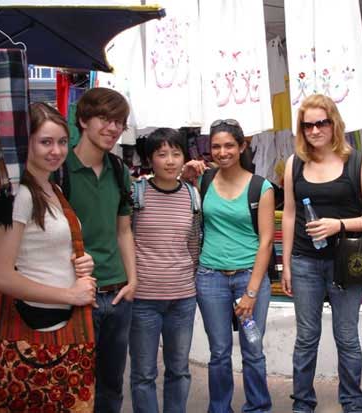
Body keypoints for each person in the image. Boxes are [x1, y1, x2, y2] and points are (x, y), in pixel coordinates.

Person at [281, 94, 362, 413]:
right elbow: (288, 213)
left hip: (347, 261)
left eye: (321, 122)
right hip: (304, 261)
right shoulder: (294, 163)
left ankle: (353, 402)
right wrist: (284, 264)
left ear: (334, 123)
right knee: (306, 337)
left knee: (346, 335)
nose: (315, 130)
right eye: (308, 124)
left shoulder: (357, 162)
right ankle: (302, 403)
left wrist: (338, 225)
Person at [0, 102, 97, 410]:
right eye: (45, 142)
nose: (56, 151)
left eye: (62, 142)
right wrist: (70, 292)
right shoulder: (22, 195)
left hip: (59, 325)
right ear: (26, 143)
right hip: (36, 327)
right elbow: (1, 274)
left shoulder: (51, 187)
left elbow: (41, 249)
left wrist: (80, 258)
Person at [65, 87, 136, 412]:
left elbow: (123, 231)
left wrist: (132, 282)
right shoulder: (59, 169)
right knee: (73, 384)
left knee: (111, 386)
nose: (112, 128)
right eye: (104, 119)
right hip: (74, 295)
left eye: (119, 121)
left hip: (117, 294)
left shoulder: (120, 171)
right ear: (82, 119)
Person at [196, 119, 274, 413]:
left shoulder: (260, 187)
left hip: (249, 278)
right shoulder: (204, 181)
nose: (222, 151)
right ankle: (220, 408)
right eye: (216, 146)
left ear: (242, 147)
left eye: (229, 145)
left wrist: (252, 292)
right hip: (210, 278)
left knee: (253, 349)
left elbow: (266, 242)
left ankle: (258, 407)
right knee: (218, 352)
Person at [129, 128, 201, 413]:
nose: (170, 161)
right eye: (162, 154)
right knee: (144, 373)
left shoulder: (192, 196)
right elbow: (125, 238)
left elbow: (194, 243)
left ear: (184, 157)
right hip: (143, 300)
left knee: (179, 370)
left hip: (182, 299)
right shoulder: (137, 193)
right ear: (150, 159)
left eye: (176, 153)